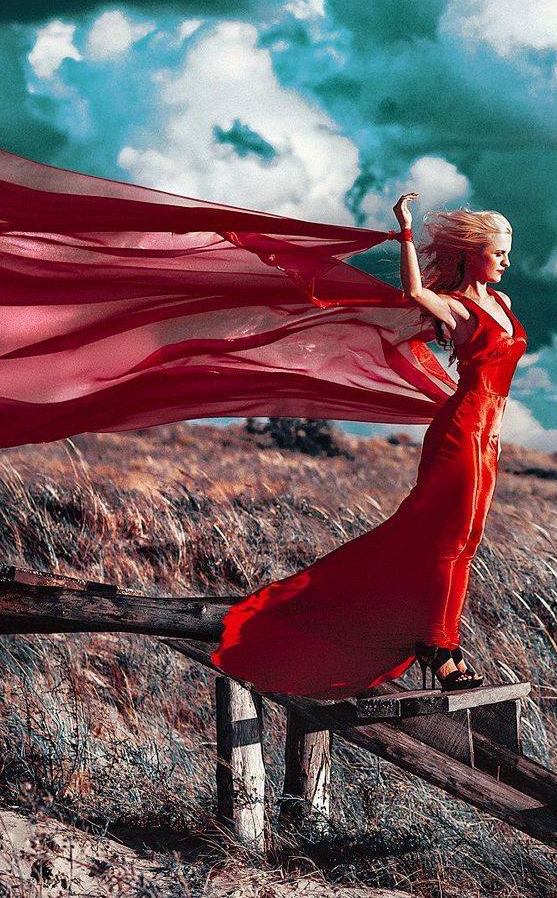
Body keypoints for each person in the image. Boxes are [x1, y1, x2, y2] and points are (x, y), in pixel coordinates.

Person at [212, 193, 526, 699]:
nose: (508, 262)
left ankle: (434, 638)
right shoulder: (460, 308)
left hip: (490, 437)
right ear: (473, 254)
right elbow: (414, 291)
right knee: (448, 538)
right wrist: (404, 229)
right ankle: (442, 648)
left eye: (508, 254)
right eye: (500, 252)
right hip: (463, 428)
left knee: (466, 540)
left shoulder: (504, 305)